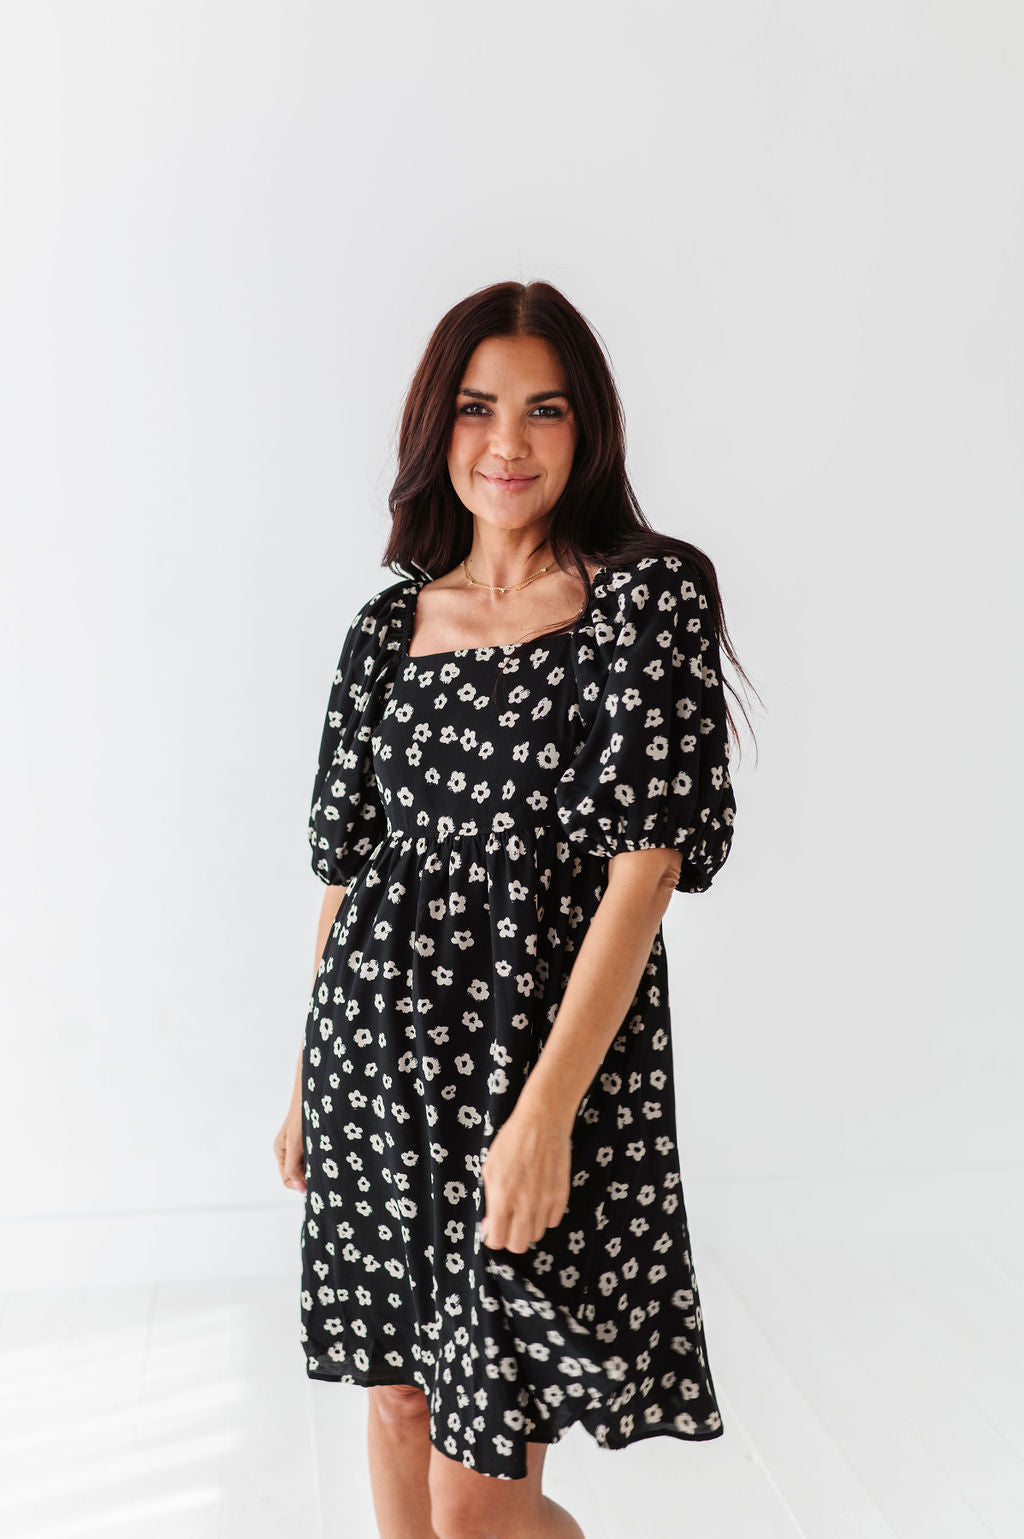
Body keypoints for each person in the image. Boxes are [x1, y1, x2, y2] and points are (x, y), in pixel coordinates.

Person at [273, 279, 755, 1539]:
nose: (508, 442)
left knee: (478, 1498)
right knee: (396, 1407)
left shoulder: (643, 599)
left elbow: (646, 870)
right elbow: (347, 868)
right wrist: (305, 1084)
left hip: (538, 1073)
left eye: (545, 410)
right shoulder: (387, 628)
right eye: (478, 407)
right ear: (436, 424)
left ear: (586, 428)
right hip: (375, 1068)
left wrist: (543, 1115)